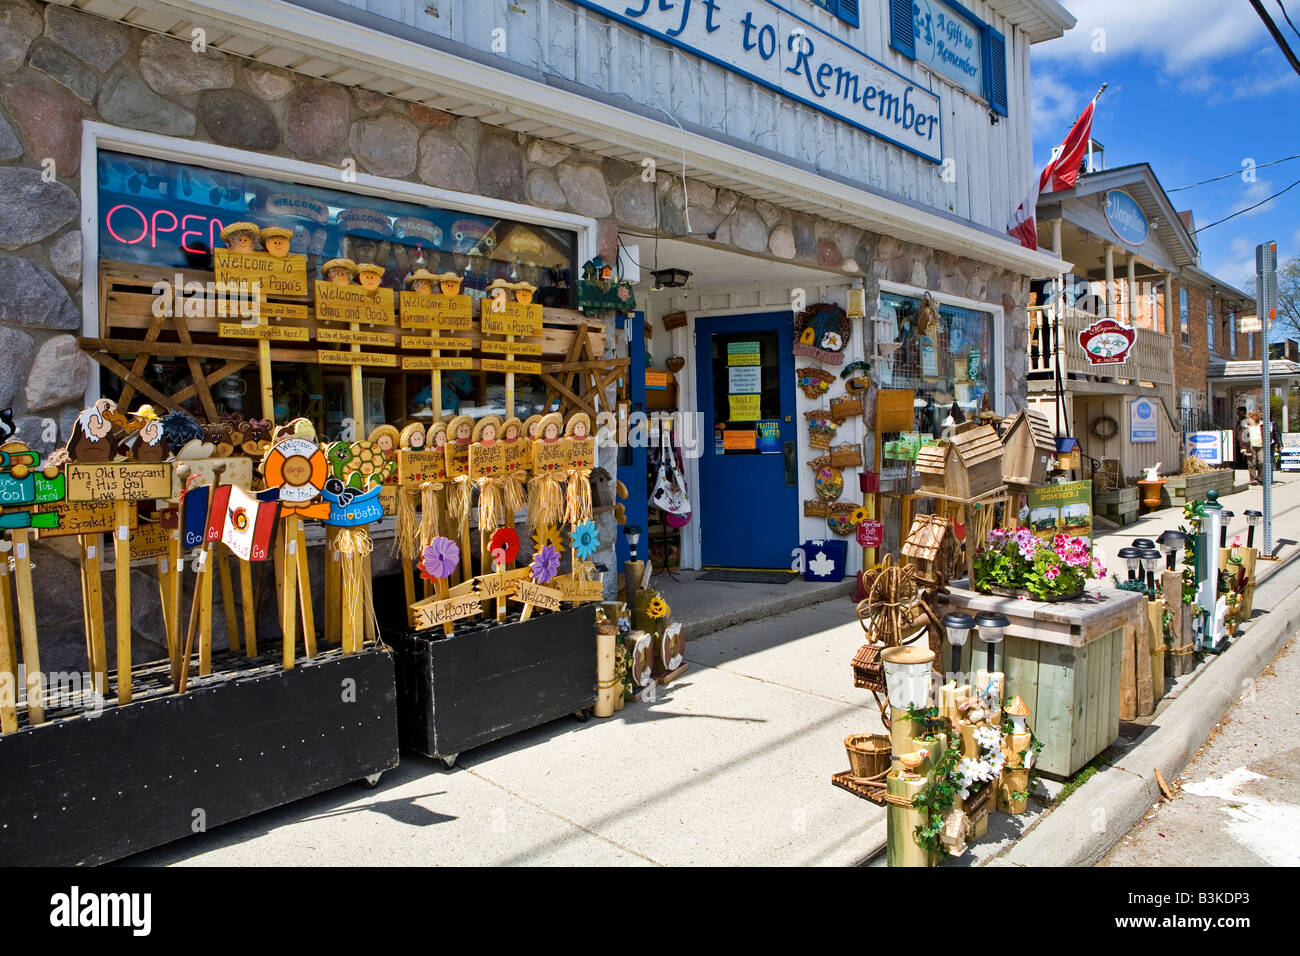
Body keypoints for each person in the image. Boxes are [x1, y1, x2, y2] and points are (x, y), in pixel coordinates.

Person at [1246, 411, 1264, 484]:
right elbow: (1242, 437)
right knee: (1251, 463)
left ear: (1254, 418)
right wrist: (1244, 447)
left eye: (1250, 418)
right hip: (1251, 446)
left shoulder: (1262, 425)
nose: (1248, 420)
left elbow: (1268, 433)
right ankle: (1253, 479)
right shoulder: (1247, 426)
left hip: (1261, 445)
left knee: (1261, 462)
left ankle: (1260, 478)